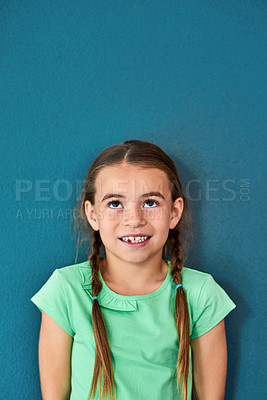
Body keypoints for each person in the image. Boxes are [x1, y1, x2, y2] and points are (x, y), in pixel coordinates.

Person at [30, 139, 236, 400]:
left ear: (174, 212)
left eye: (150, 203)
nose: (134, 220)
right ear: (93, 215)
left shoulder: (201, 294)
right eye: (115, 204)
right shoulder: (65, 290)